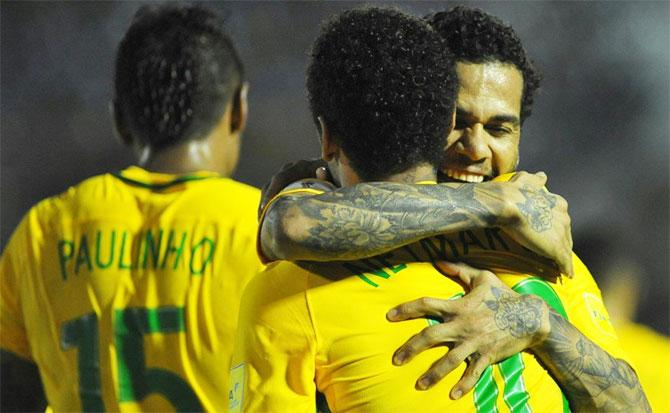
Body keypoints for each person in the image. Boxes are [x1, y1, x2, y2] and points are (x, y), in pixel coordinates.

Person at [253, 6, 649, 411]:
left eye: (498, 129)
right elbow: (291, 226)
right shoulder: (321, 248)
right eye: (457, 121)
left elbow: (633, 407)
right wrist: (500, 203)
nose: (476, 149)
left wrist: (540, 325)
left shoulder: (539, 246)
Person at [0, 5, 262, 411]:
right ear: (239, 110)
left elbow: (15, 396)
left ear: (120, 119)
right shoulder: (270, 232)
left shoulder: (41, 233)